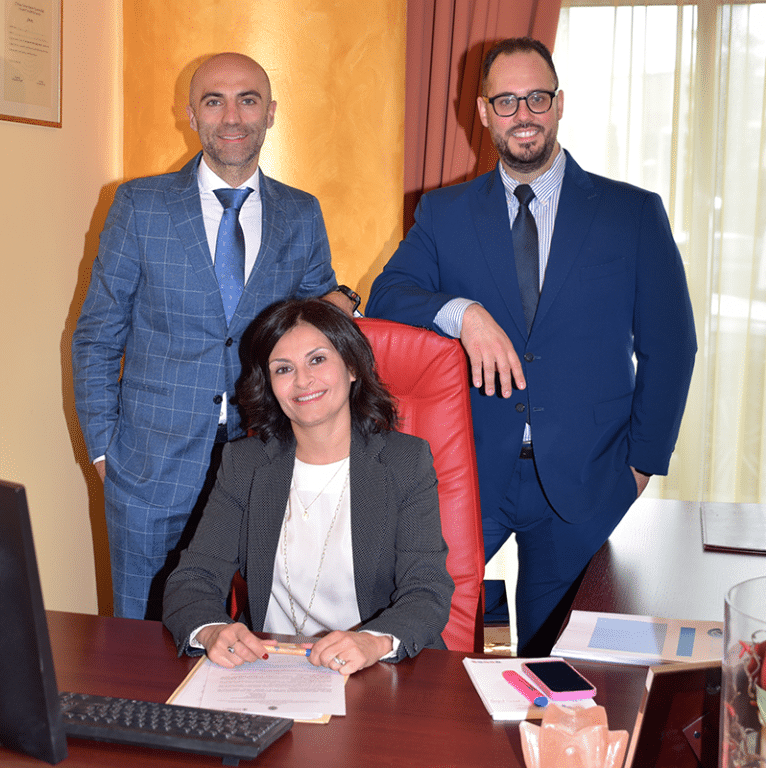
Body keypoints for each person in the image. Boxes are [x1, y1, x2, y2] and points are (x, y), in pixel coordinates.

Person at [366, 37, 697, 656]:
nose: (524, 114)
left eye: (537, 98)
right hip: (470, 473)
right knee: (428, 644)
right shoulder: (443, 212)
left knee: (561, 665)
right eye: (507, 100)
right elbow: (388, 296)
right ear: (484, 112)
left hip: (590, 479)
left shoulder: (632, 213)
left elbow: (672, 346)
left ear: (560, 103)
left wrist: (642, 465)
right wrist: (464, 314)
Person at [72, 53, 354, 620]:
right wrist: (105, 451)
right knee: (143, 640)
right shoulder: (140, 206)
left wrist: (344, 299)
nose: (232, 117)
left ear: (270, 113)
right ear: (191, 114)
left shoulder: (301, 213)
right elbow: (97, 337)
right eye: (214, 101)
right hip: (149, 470)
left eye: (248, 100)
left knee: (260, 634)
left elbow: (318, 326)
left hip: (267, 461)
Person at [162, 298, 453, 674]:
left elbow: (426, 588)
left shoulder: (404, 461)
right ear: (269, 384)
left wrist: (374, 641)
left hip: (375, 670)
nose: (302, 381)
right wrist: (212, 630)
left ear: (352, 366)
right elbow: (193, 578)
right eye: (283, 369)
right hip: (268, 666)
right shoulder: (244, 464)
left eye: (317, 360)